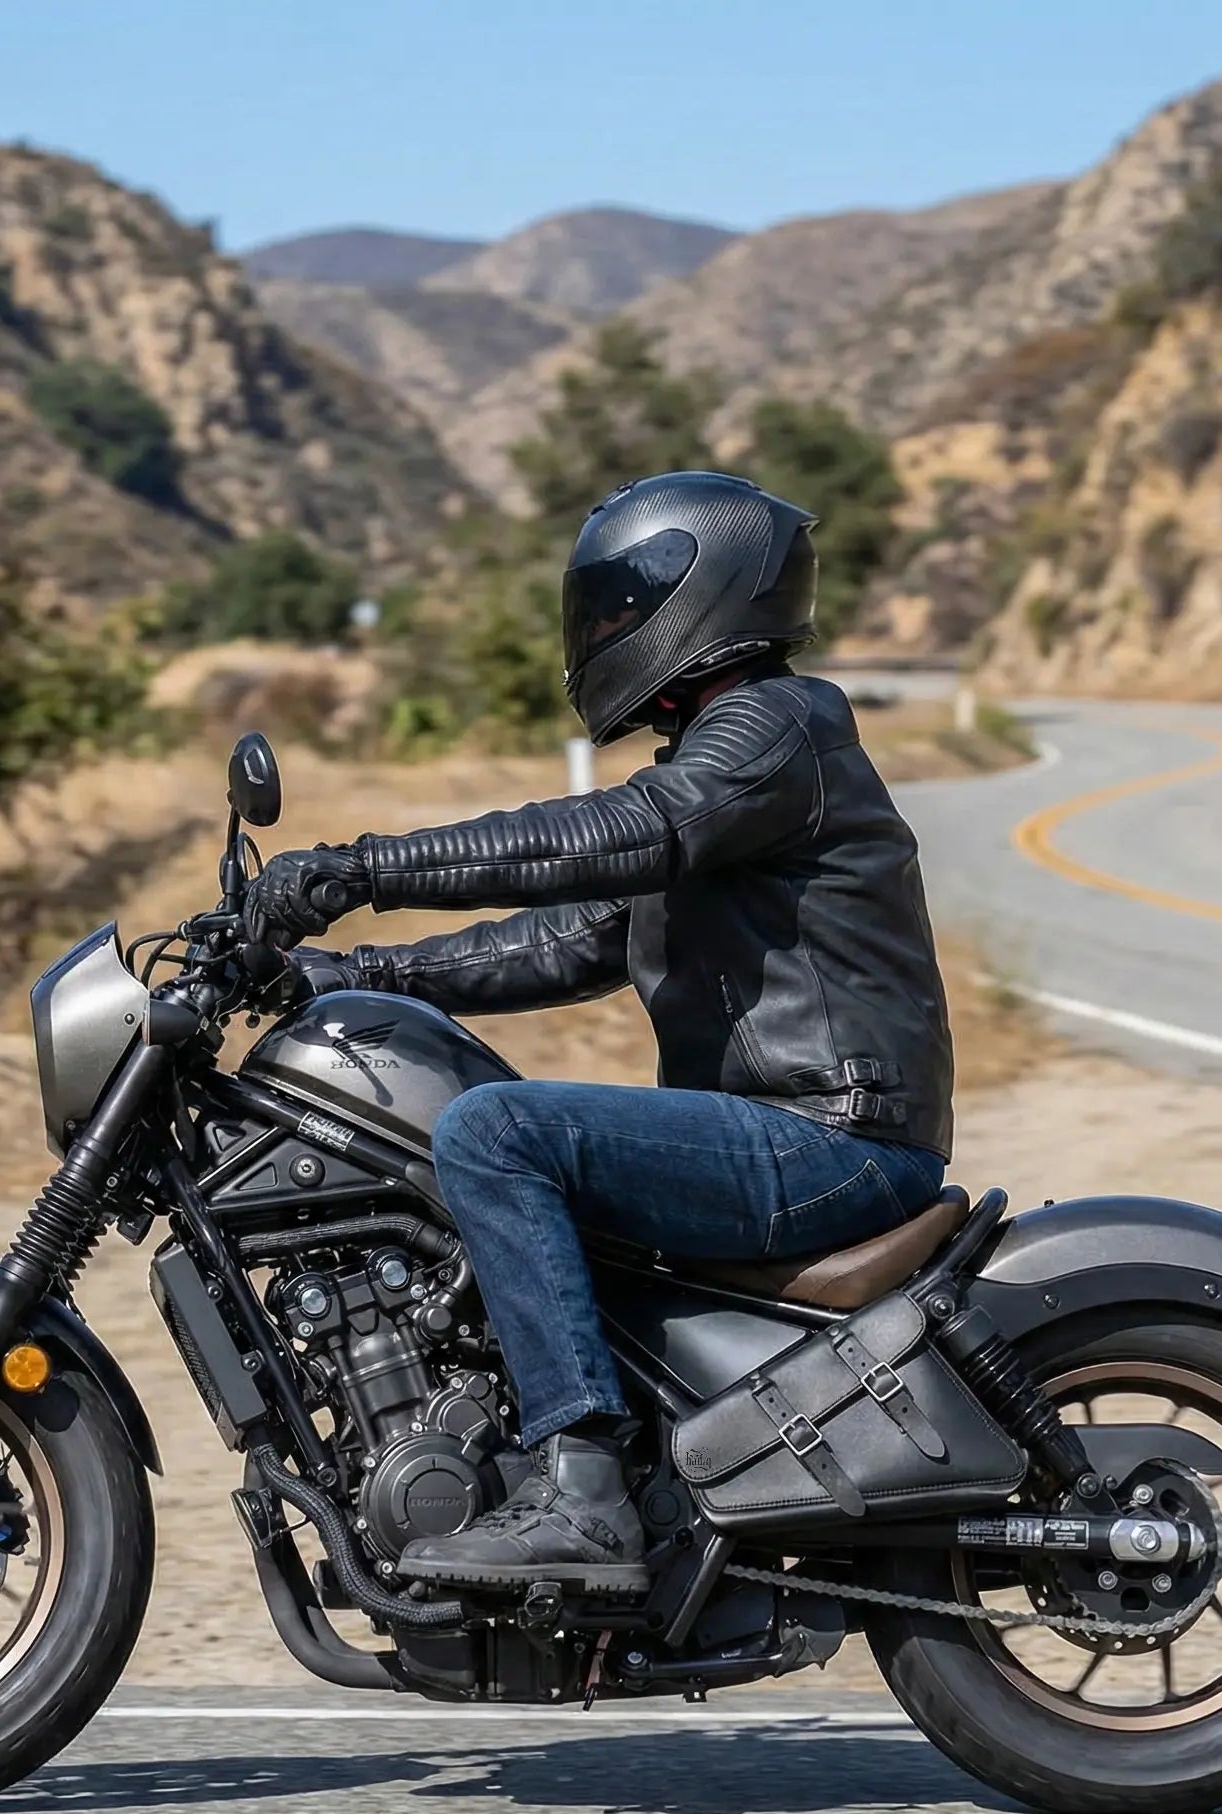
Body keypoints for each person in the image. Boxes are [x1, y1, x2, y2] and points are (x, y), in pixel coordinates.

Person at [242, 471, 954, 1592]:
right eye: (602, 609)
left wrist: (362, 868)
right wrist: (351, 973)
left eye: (623, 606)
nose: (603, 629)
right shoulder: (728, 766)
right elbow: (568, 941)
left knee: (494, 1132)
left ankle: (581, 1497)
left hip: (829, 1140)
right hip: (788, 1132)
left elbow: (622, 833)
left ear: (703, 595)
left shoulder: (774, 729)